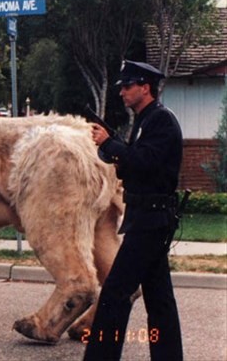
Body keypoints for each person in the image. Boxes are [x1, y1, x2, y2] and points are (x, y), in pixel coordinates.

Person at [84, 60, 183, 361]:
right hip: (146, 218)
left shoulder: (160, 121)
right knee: (159, 299)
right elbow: (135, 167)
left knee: (114, 293)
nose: (122, 92)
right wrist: (114, 150)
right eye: (122, 87)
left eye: (128, 86)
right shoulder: (145, 120)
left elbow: (146, 162)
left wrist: (111, 144)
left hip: (150, 221)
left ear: (145, 87)